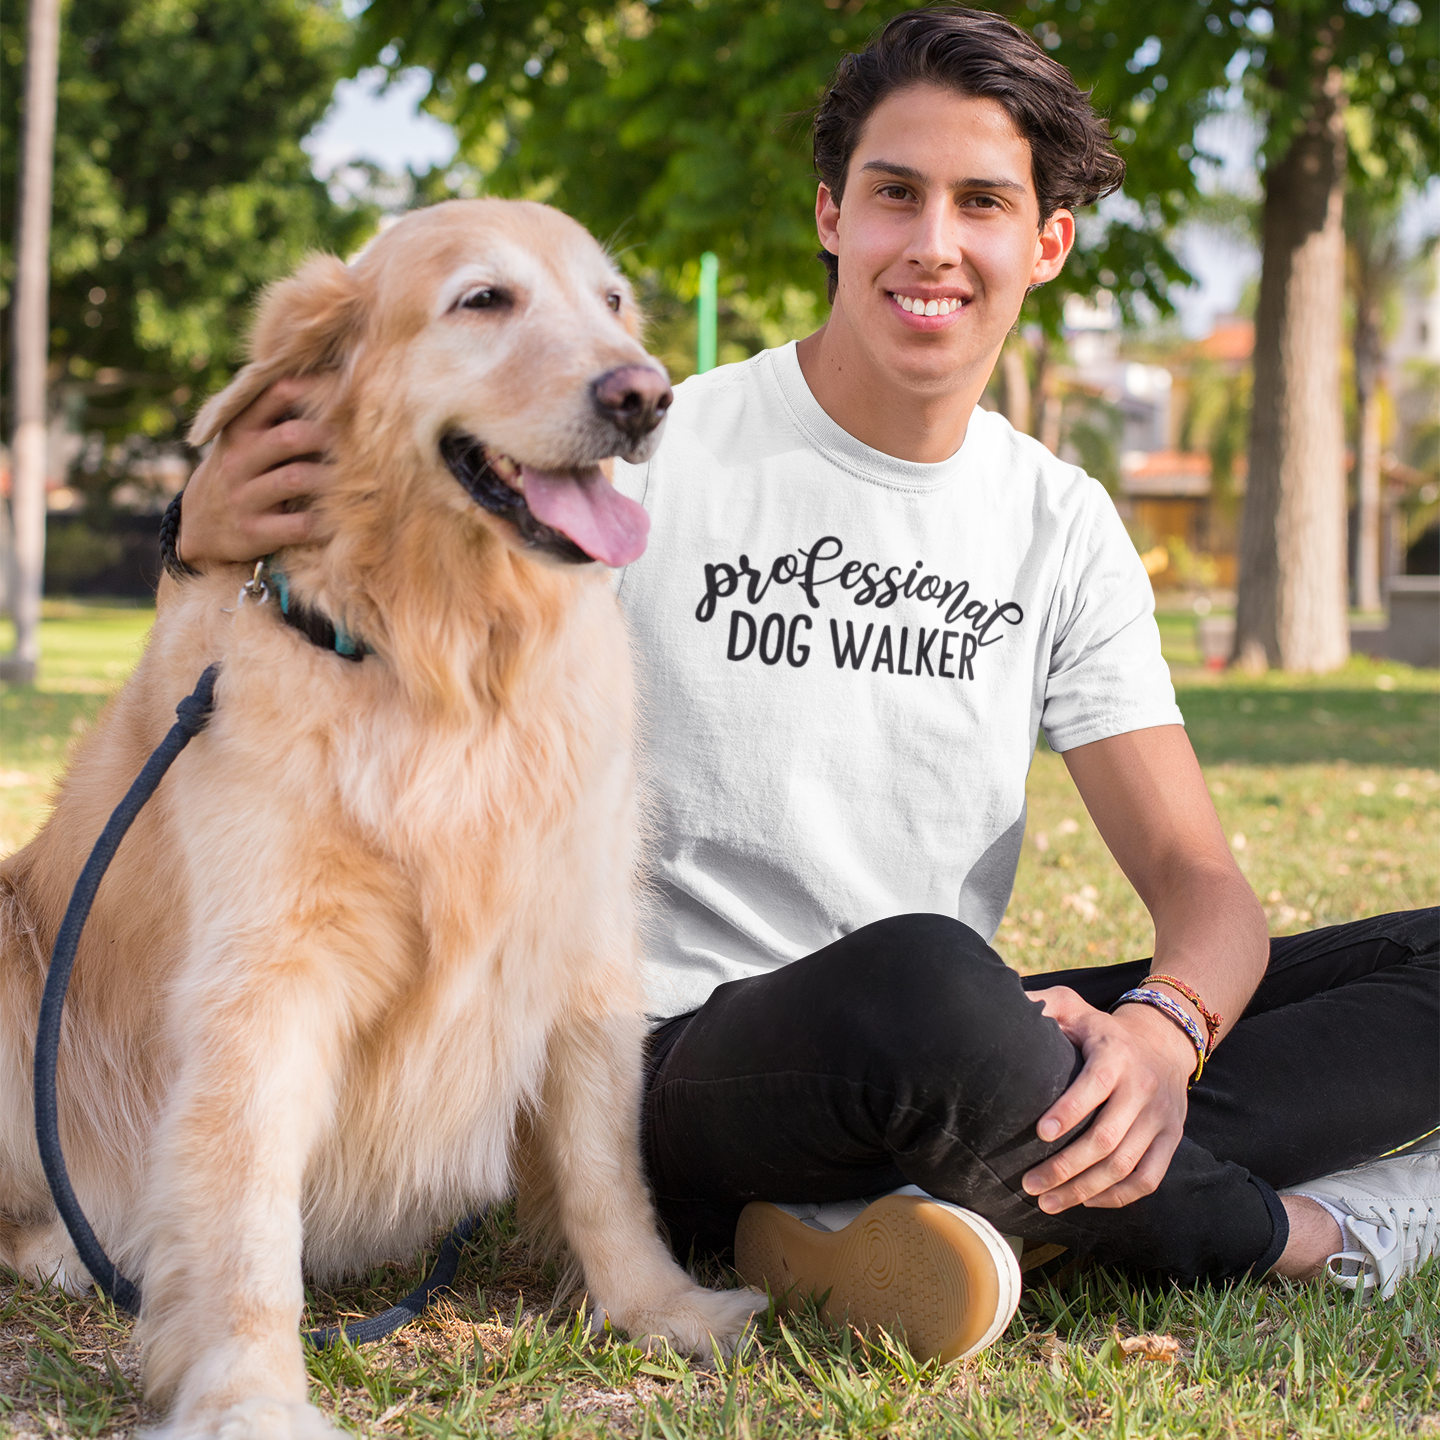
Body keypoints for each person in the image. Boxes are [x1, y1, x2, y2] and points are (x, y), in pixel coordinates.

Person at [171, 6, 1437, 1359]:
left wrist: (1158, 1039)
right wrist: (213, 532)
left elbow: (1203, 887)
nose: (933, 242)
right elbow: (377, 581)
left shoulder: (1059, 526)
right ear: (834, 215)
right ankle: (1316, 1232)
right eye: (896, 193)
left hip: (948, 1056)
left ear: (1046, 243)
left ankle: (933, 1195)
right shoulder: (635, 445)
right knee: (930, 989)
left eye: (984, 202)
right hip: (651, 1064)